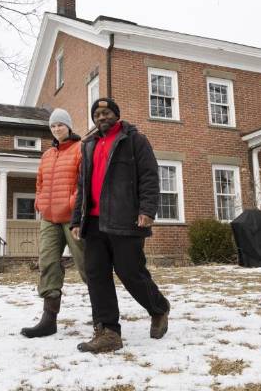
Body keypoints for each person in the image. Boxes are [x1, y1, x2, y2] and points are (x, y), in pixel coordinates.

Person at [70, 97, 170, 353]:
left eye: (106, 112)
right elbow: (82, 186)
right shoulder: (88, 145)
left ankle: (158, 308)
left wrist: (147, 210)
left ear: (116, 114)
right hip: (93, 222)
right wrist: (75, 220)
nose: (101, 117)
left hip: (125, 219)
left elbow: (149, 177)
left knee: (130, 272)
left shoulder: (134, 140)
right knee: (96, 275)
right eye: (97, 114)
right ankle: (108, 332)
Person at [20, 108, 86, 338]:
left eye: (60, 124)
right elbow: (39, 183)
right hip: (49, 218)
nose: (57, 129)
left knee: (87, 264)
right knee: (47, 262)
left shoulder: (80, 149)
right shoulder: (47, 155)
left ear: (69, 126)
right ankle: (49, 320)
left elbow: (83, 184)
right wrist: (39, 202)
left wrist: (71, 203)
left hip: (72, 218)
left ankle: (104, 316)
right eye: (53, 126)